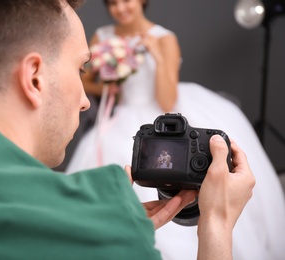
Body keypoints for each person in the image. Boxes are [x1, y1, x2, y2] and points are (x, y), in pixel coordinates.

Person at [0, 0, 255, 259]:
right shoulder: (95, 236)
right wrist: (217, 226)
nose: (85, 101)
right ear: (34, 78)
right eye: (81, 69)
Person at [66, 0, 285, 259]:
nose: (120, 8)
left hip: (161, 111)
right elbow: (86, 80)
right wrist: (110, 84)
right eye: (113, 3)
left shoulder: (163, 39)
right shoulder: (102, 37)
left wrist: (157, 59)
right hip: (123, 115)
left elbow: (167, 101)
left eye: (126, 0)